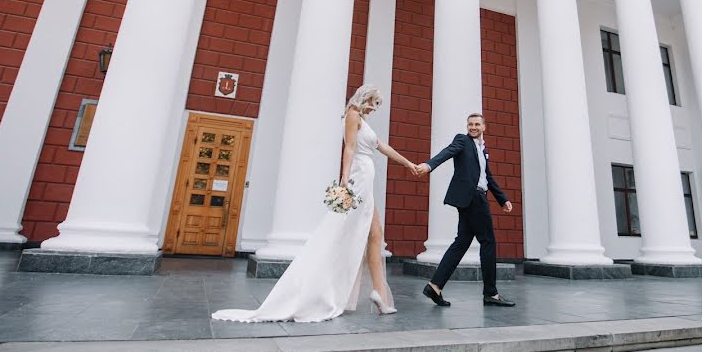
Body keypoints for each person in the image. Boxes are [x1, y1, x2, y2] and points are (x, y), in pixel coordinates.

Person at [212, 84, 417, 322]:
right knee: (341, 232)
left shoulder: (363, 120)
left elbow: (382, 147)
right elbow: (349, 148)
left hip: (366, 179)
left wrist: (408, 164)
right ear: (362, 98)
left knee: (375, 233)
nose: (374, 108)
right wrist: (344, 180)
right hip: (358, 178)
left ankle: (379, 293)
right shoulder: (352, 115)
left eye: (377, 105)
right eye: (372, 102)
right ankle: (322, 286)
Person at [413, 113, 515, 307]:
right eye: (470, 124)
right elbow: (447, 152)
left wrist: (502, 199)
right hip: (474, 198)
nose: (473, 127)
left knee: (461, 243)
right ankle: (491, 294)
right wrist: (429, 165)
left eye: (477, 124)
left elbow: (487, 177)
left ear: (484, 127)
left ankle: (434, 286)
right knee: (488, 242)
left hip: (474, 198)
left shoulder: (482, 150)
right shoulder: (463, 140)